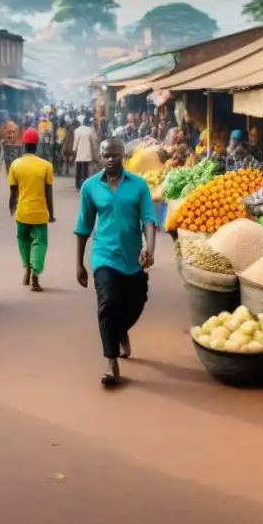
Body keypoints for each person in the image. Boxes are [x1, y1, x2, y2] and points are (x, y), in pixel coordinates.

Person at [75, 137, 157, 387]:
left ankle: (120, 330)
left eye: (115, 155)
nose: (110, 159)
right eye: (106, 155)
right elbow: (83, 226)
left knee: (137, 301)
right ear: (100, 156)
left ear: (124, 156)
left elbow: (148, 220)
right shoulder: (90, 187)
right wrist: (79, 263)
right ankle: (111, 361)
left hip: (133, 258)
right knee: (108, 304)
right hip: (104, 256)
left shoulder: (139, 185)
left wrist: (149, 248)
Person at [9, 128, 55, 292]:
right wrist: (51, 213)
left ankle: (26, 270)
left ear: (23, 145)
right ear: (37, 145)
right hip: (40, 213)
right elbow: (48, 192)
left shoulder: (15, 165)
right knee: (40, 243)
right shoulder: (46, 166)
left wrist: (11, 208)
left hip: (22, 212)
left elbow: (13, 191)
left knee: (23, 241)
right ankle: (35, 274)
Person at [72, 117, 97, 190]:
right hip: (87, 152)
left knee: (79, 169)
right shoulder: (90, 130)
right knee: (85, 169)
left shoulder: (77, 130)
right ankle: (84, 184)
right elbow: (93, 141)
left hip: (79, 152)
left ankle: (78, 185)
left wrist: (74, 149)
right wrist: (94, 150)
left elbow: (75, 141)